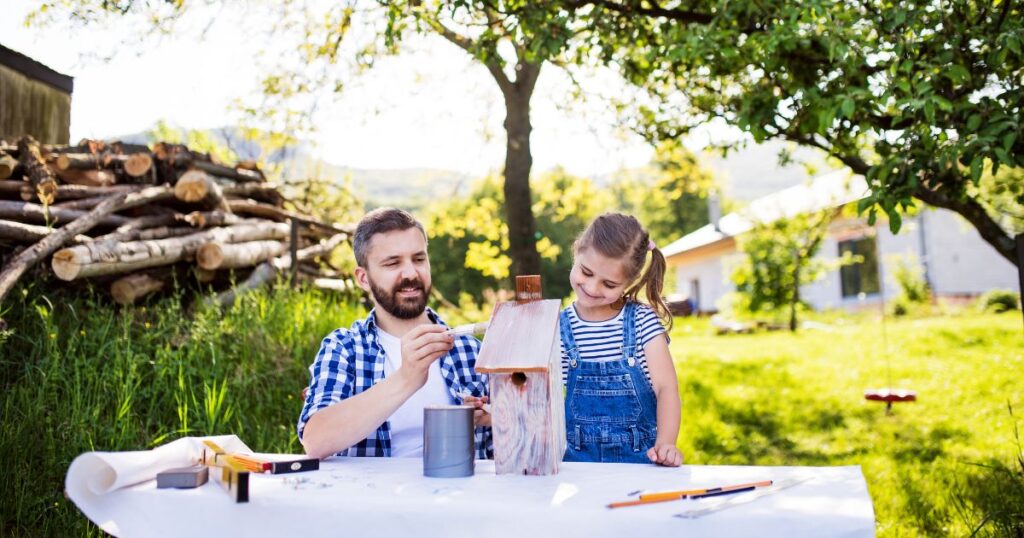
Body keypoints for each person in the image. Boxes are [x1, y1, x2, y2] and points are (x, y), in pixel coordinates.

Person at [298, 208, 490, 459]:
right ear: (363, 279)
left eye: (418, 259)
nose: (411, 273)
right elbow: (316, 441)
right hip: (370, 487)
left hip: (459, 483)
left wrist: (499, 419)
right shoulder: (344, 348)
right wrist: (406, 378)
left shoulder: (471, 350)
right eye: (392, 263)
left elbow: (506, 457)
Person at [560, 212, 683, 466]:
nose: (592, 288)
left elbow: (666, 389)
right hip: (576, 468)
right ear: (577, 251)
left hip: (640, 465)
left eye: (609, 284)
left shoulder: (642, 322)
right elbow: (542, 398)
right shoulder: (557, 329)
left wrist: (666, 443)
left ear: (629, 282)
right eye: (586, 272)